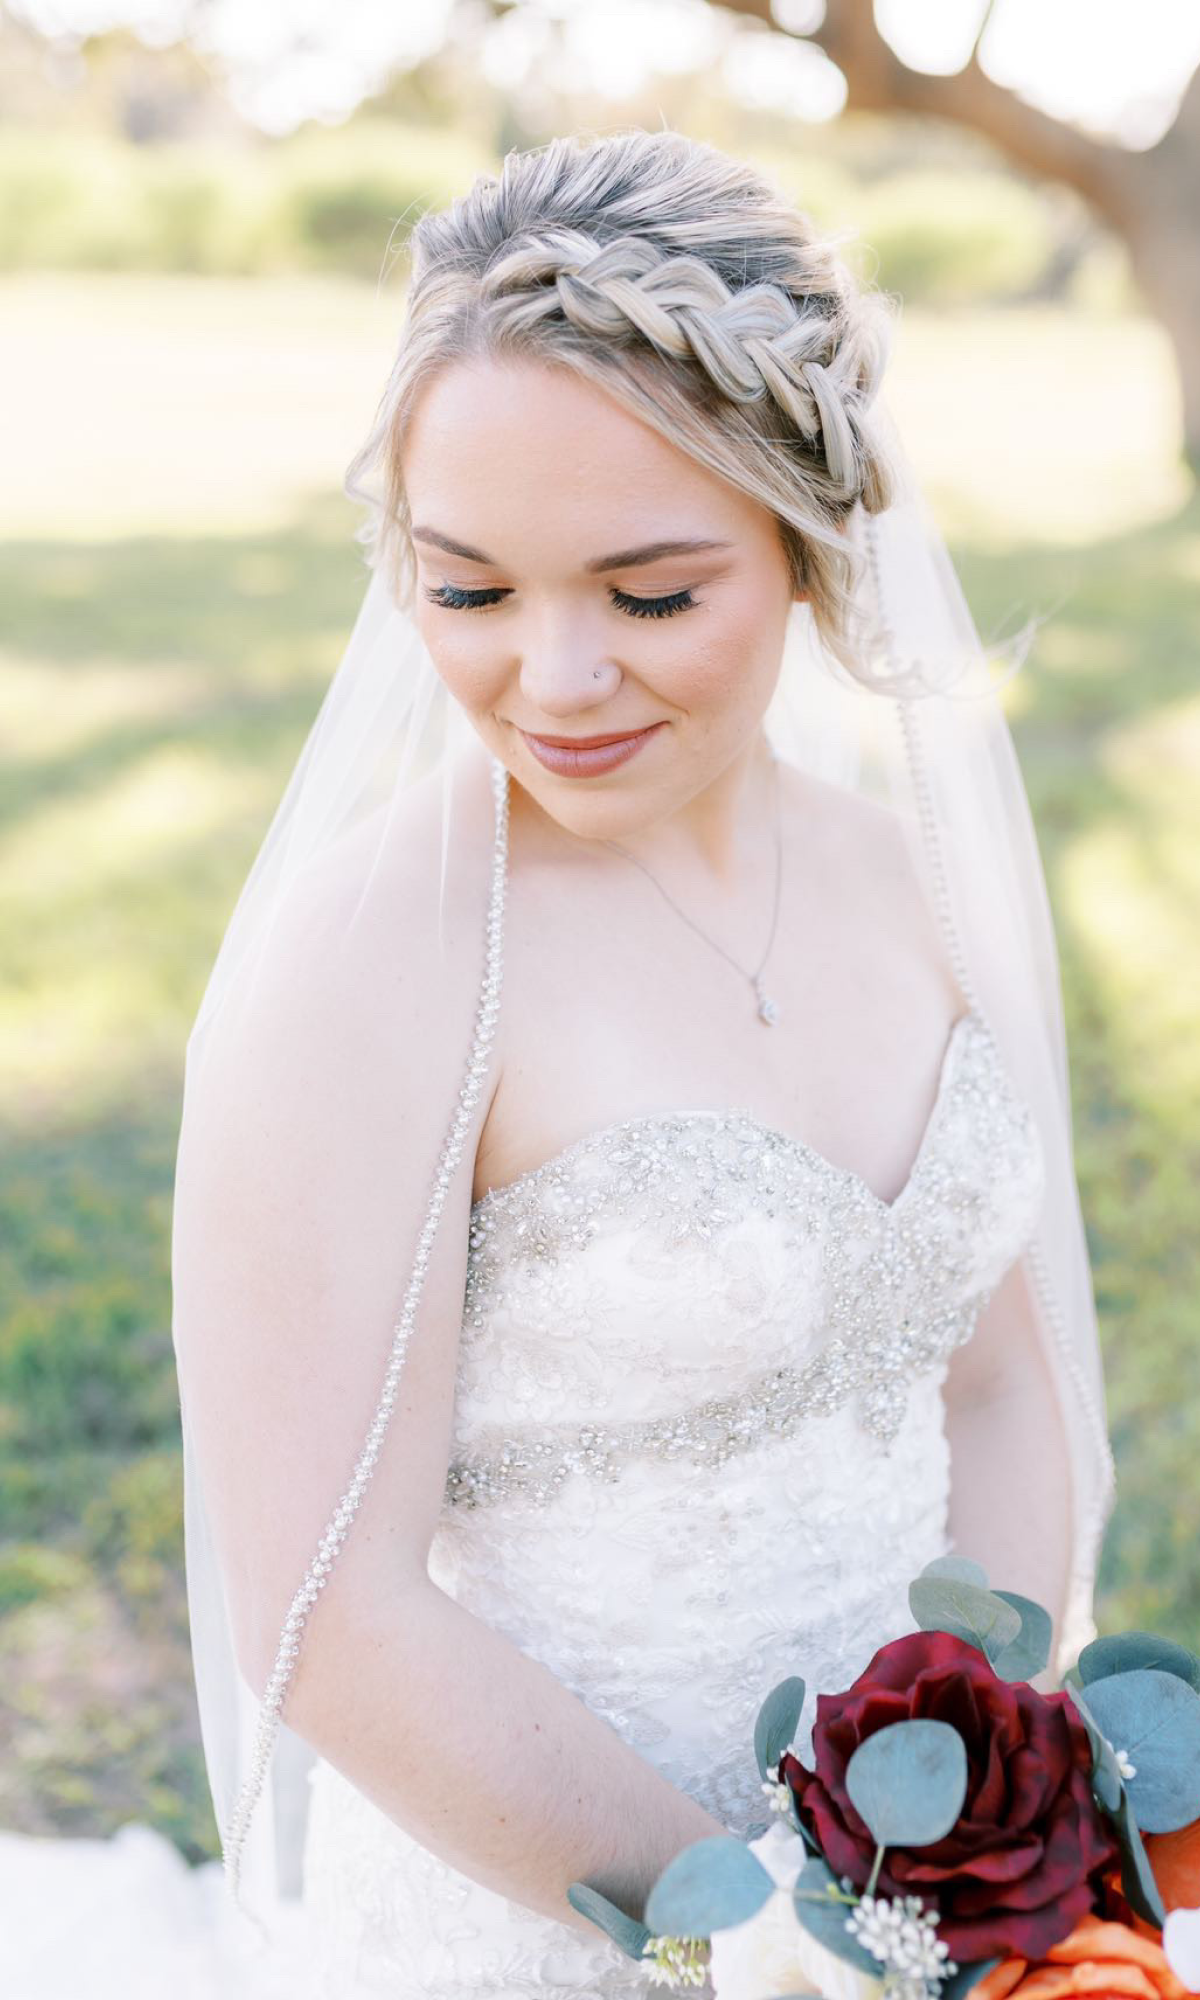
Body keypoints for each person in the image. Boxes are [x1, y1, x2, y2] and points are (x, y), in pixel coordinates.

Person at [2, 127, 1115, 2000]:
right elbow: (326, 1604)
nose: (556, 681)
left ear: (812, 544)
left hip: (932, 1890)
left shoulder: (913, 874)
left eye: (651, 593)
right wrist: (768, 1940)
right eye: (471, 590)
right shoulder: (378, 961)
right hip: (533, 1911)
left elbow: (1007, 1388)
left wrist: (971, 1812)